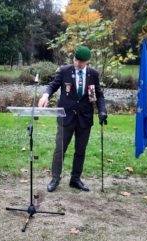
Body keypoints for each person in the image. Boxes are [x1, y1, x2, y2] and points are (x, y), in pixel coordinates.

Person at [38, 46, 107, 192]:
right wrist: (45, 95)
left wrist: (102, 111)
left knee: (80, 150)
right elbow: (53, 86)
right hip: (66, 117)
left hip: (85, 119)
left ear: (88, 62)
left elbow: (98, 95)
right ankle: (55, 178)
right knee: (60, 149)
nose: (77, 64)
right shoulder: (65, 71)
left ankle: (75, 179)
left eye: (81, 62)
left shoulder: (93, 74)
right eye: (76, 60)